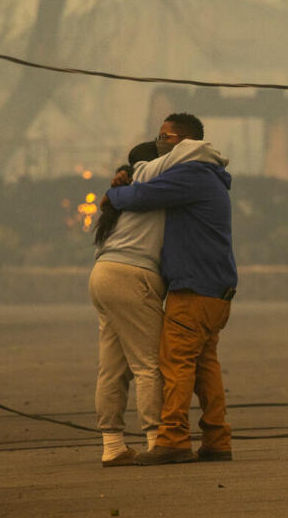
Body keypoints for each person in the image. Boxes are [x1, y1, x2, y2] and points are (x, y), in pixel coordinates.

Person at [104, 113, 238, 465]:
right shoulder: (206, 175)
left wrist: (114, 193)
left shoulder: (191, 173)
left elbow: (141, 196)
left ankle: (173, 440)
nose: (159, 143)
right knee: (205, 367)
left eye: (165, 137)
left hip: (193, 289)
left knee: (175, 364)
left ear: (184, 142)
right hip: (215, 290)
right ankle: (217, 439)